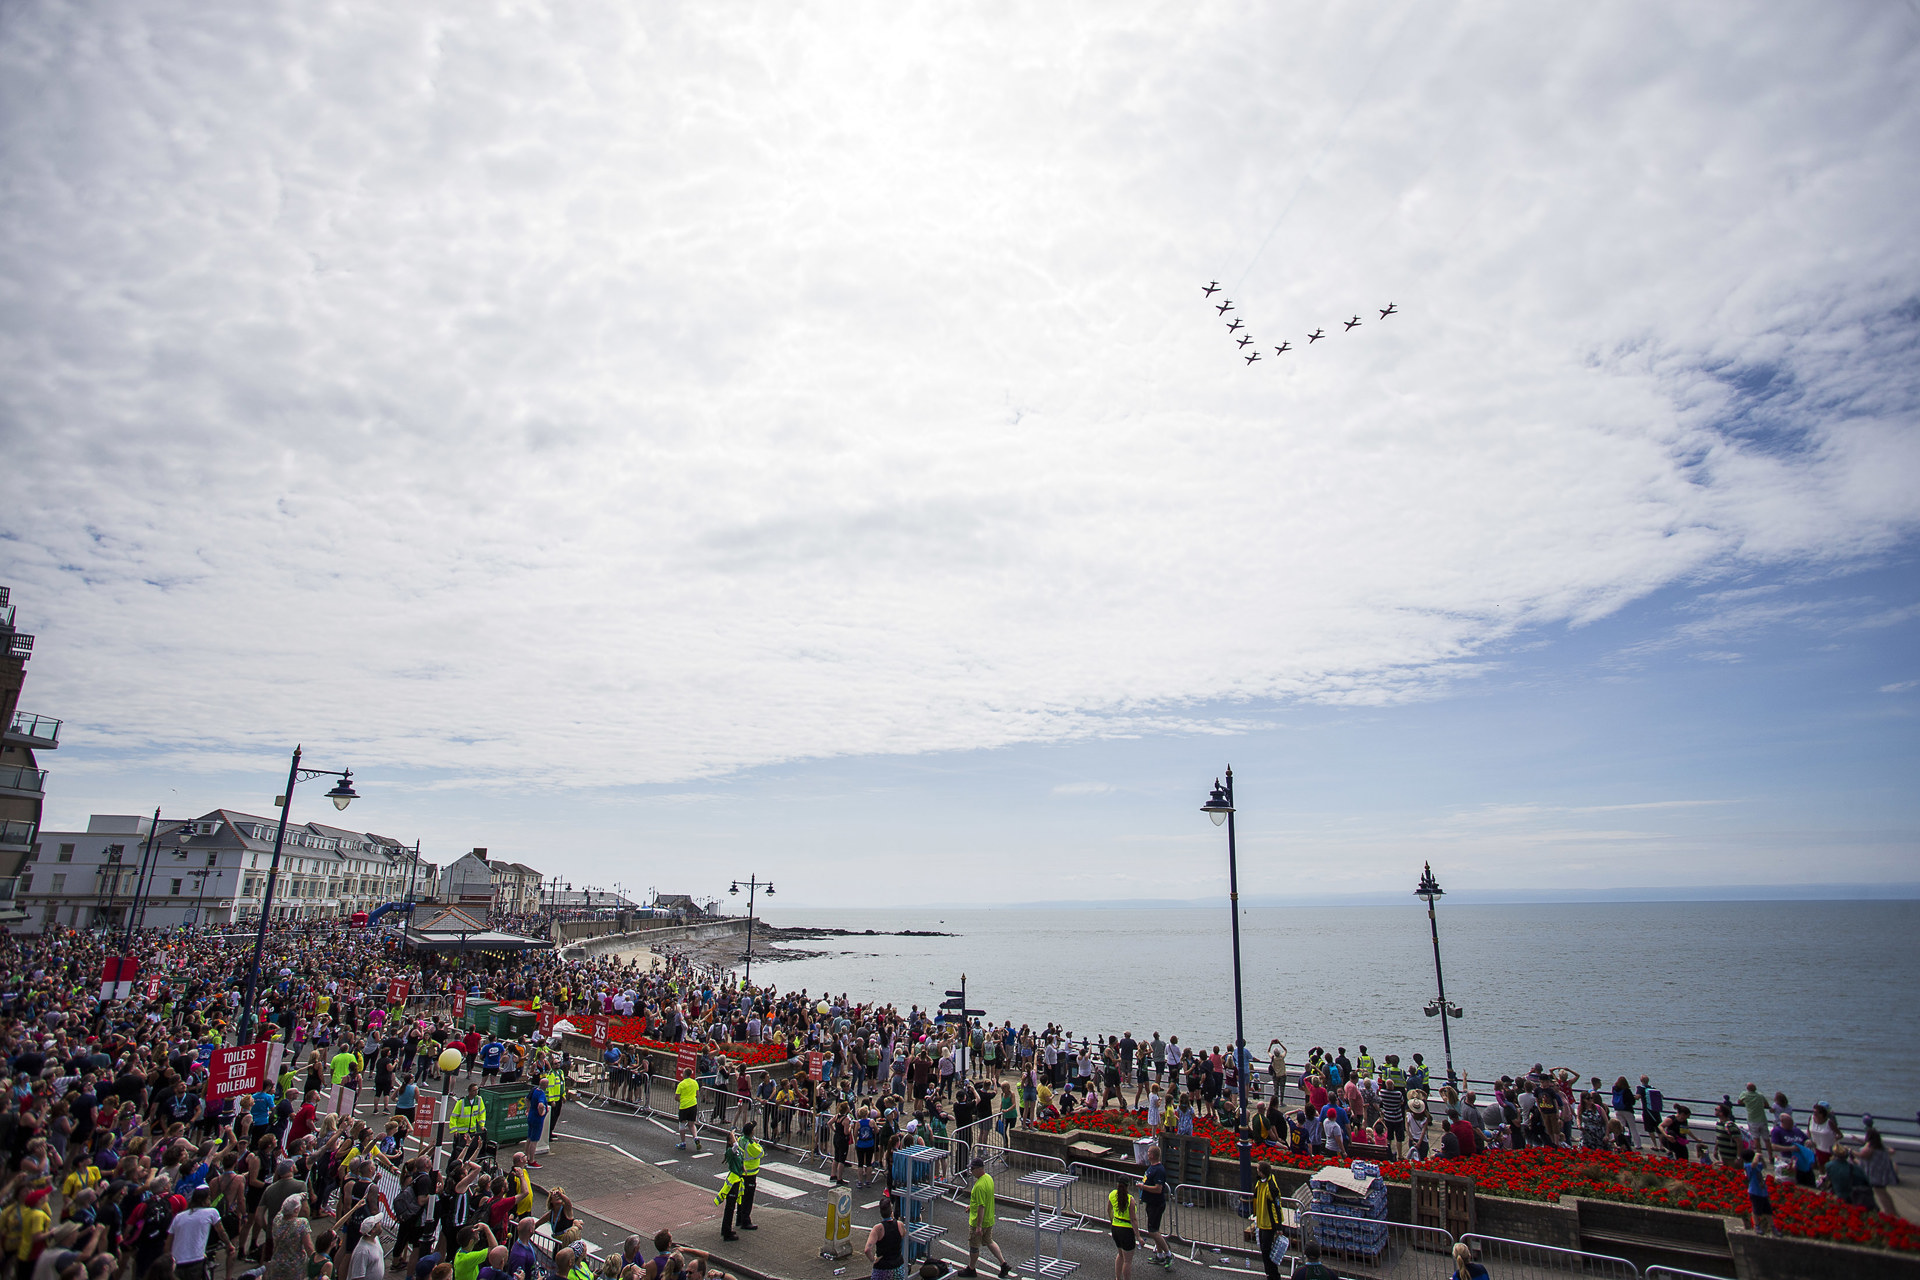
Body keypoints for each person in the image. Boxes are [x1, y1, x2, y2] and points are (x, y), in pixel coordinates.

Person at [958, 1158, 1012, 1279]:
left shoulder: (980, 1186)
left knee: (974, 1246)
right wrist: (971, 1206)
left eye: (973, 1169)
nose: (971, 1171)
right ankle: (1003, 1264)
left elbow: (981, 1206)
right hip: (989, 1219)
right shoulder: (988, 1178)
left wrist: (978, 1226)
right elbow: (981, 1201)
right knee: (989, 1241)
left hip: (979, 1221)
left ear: (979, 1169)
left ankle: (971, 1269)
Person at [166, 1185, 230, 1280]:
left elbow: (168, 1243)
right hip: (195, 1260)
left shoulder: (179, 1217)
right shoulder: (211, 1212)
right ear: (203, 1200)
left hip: (177, 1262)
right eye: (209, 1198)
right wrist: (229, 1245)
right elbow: (221, 1232)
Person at [1138, 1145, 1170, 1270]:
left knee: (1153, 1231)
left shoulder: (1159, 1170)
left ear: (1153, 1155)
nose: (1147, 1153)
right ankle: (1160, 1255)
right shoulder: (1152, 1168)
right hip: (1151, 1203)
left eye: (1149, 1152)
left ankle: (1168, 1254)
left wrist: (1142, 1187)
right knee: (1155, 1230)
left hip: (1156, 1204)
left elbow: (1158, 1189)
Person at [1252, 1163, 1284, 1280]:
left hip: (1269, 1224)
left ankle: (1273, 1275)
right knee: (1264, 1250)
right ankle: (1270, 1273)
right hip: (1261, 1221)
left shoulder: (1271, 1187)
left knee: (1267, 1251)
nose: (1256, 1171)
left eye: (1257, 1169)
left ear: (1262, 1172)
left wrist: (1279, 1226)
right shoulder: (1261, 1181)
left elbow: (1277, 1206)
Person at [864, 1197, 906, 1280]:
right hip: (897, 1266)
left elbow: (867, 1250)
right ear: (891, 1211)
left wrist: (873, 1259)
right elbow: (903, 1234)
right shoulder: (899, 1225)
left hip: (882, 1267)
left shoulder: (878, 1229)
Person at [1108, 1177, 1135, 1280]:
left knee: (1120, 1255)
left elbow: (1109, 1210)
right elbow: (1133, 1220)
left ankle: (1117, 1278)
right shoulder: (1130, 1199)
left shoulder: (1112, 1194)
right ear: (1128, 1186)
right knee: (1127, 1261)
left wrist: (1112, 1221)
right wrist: (1139, 1237)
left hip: (1115, 1228)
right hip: (1126, 1230)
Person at [1745, 1151, 1772, 1236]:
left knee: (1768, 1210)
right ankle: (1756, 1225)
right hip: (1754, 1191)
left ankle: (1772, 1226)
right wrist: (1756, 1155)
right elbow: (1754, 1163)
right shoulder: (1748, 1165)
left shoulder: (1757, 1167)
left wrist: (1762, 1159)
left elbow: (1764, 1166)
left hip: (1762, 1192)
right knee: (1756, 1210)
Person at [675, 1072, 701, 1153]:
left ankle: (683, 1143)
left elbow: (676, 1097)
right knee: (692, 1124)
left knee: (682, 1124)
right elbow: (697, 1094)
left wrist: (682, 1100)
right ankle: (696, 1138)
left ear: (685, 1075)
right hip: (693, 1105)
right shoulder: (695, 1082)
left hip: (684, 1106)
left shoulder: (681, 1084)